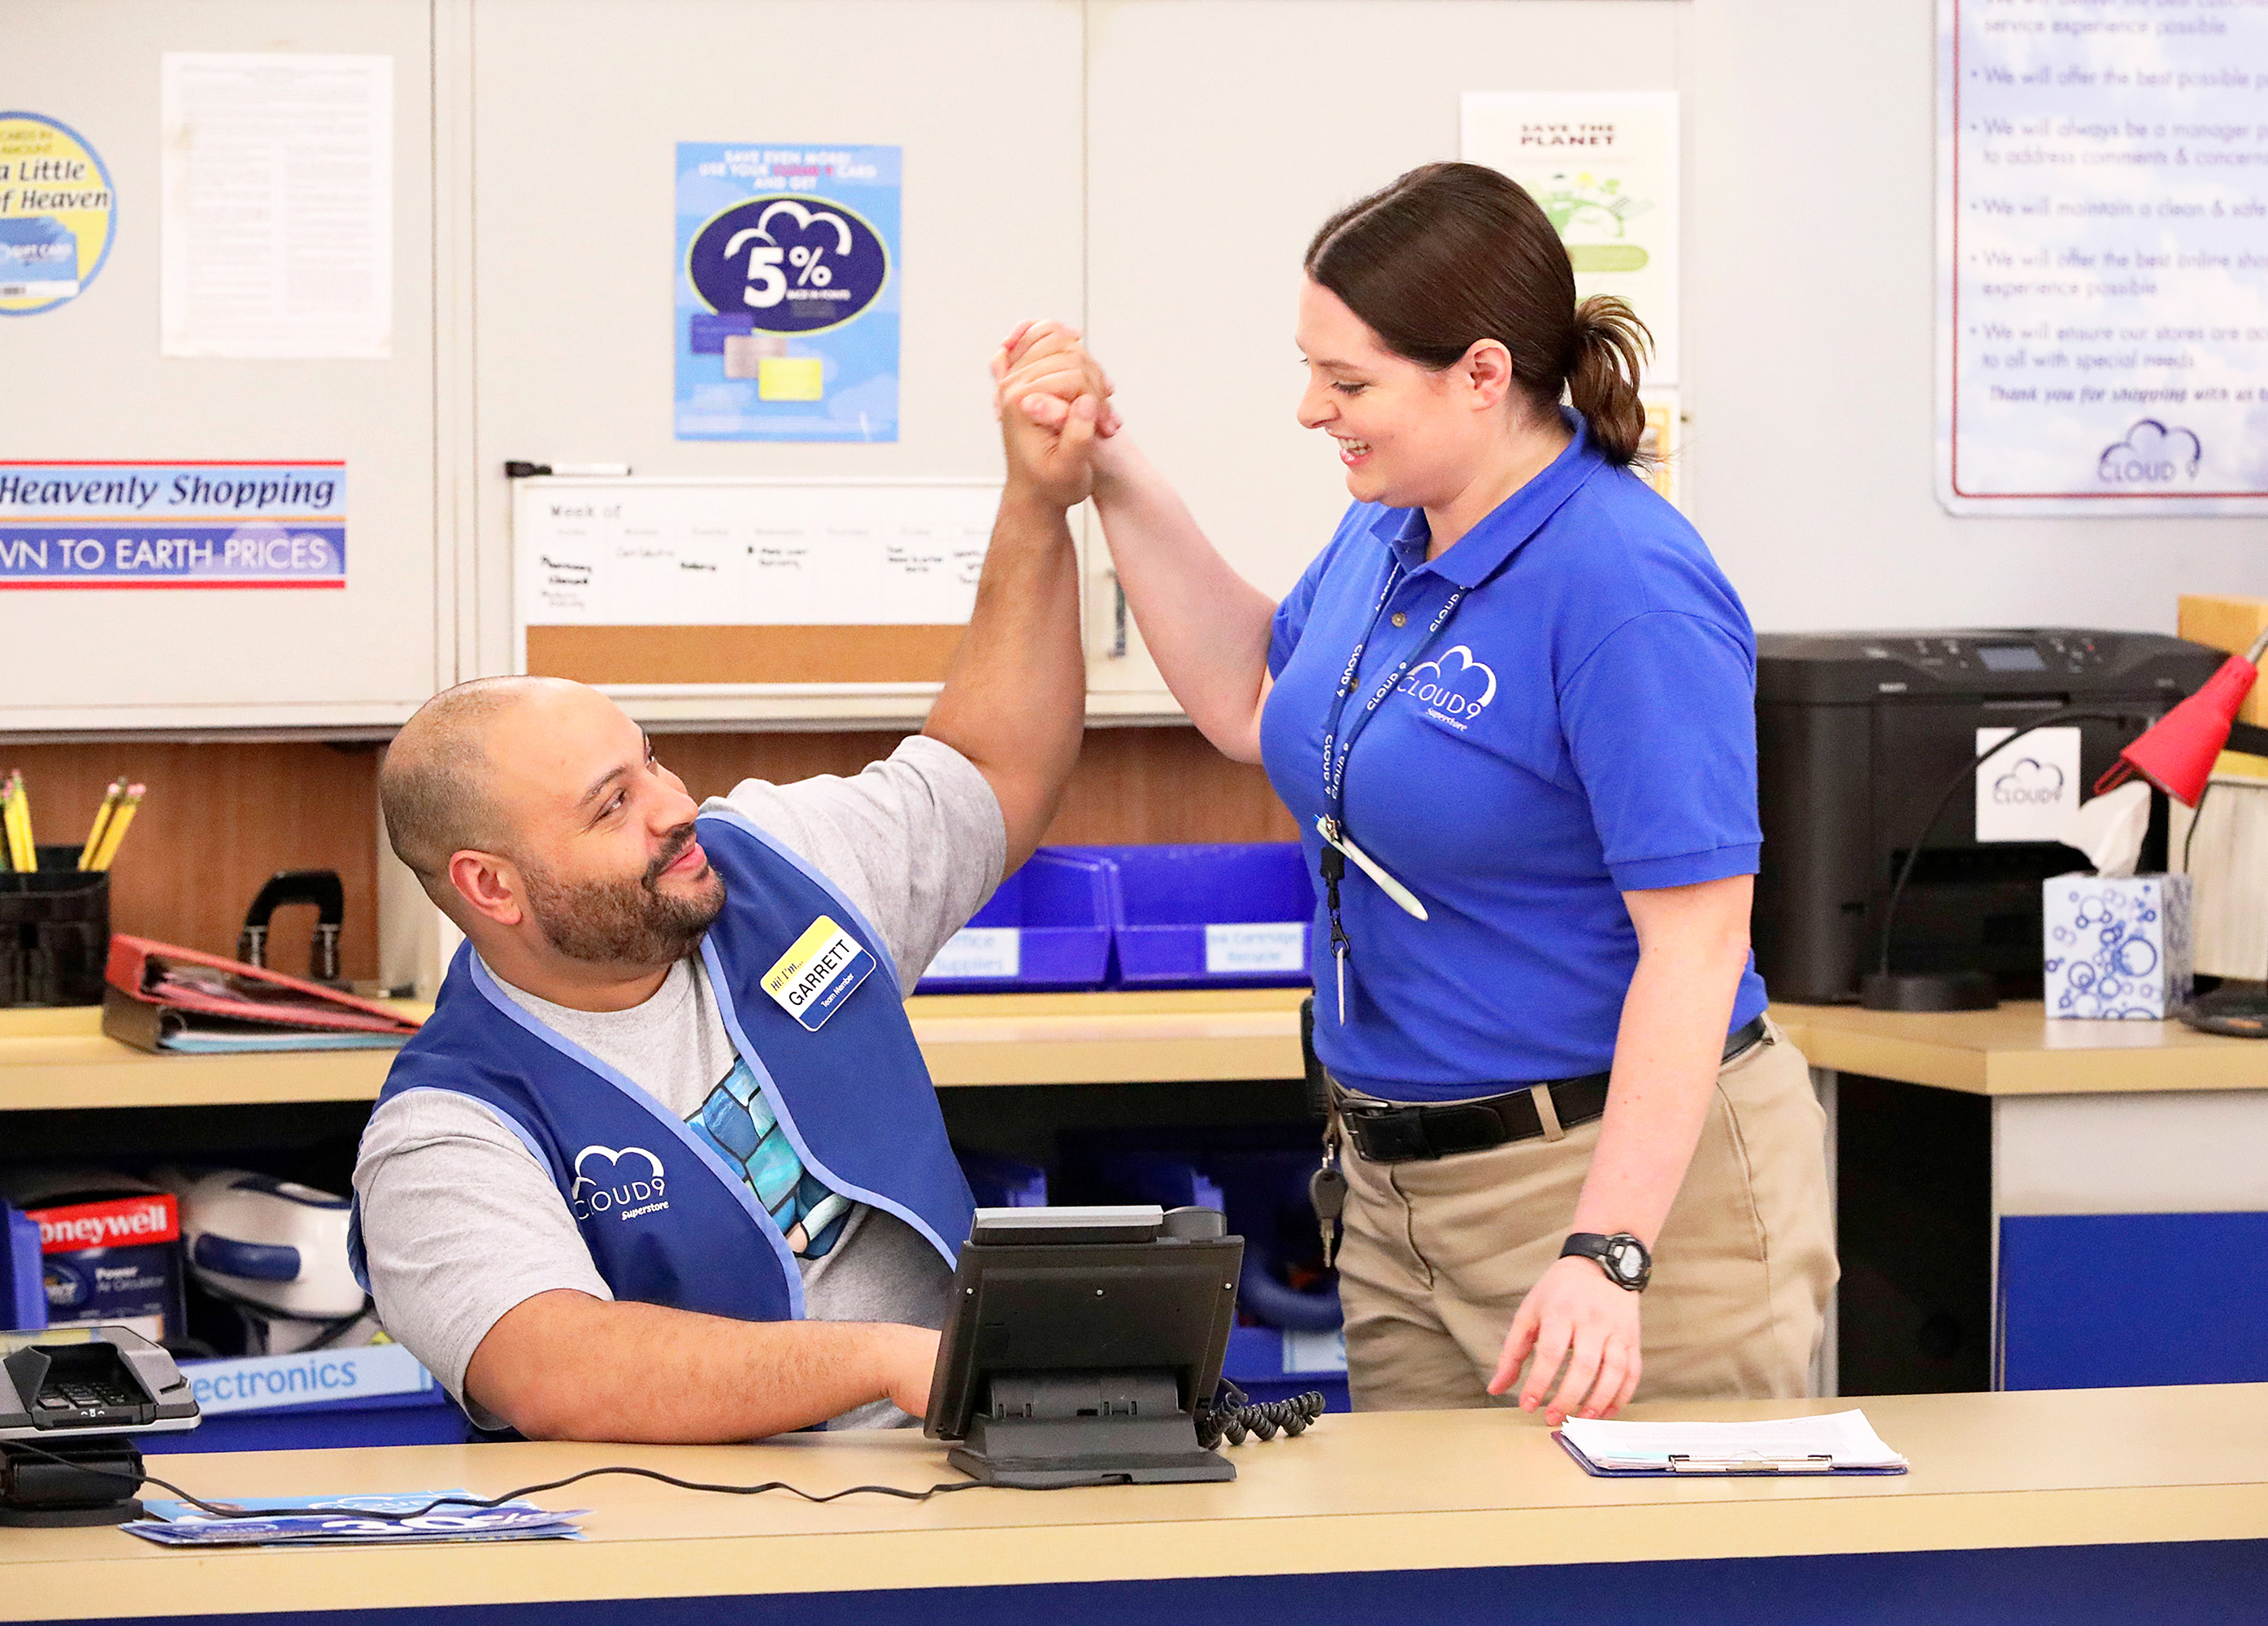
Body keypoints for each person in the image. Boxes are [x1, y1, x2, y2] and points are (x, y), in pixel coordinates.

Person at [997, 162, 1835, 1425]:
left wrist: (1608, 1249)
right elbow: (1248, 698)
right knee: (1428, 1542)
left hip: (1617, 1194)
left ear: (1481, 374)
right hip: (1395, 1193)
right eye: (1310, 371)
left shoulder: (1625, 585)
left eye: (1348, 384)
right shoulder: (1392, 527)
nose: (1311, 410)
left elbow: (1699, 944)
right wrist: (1104, 461)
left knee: (1626, 1545)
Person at [347, 346, 1106, 1443]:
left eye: (651, 761)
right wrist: (889, 1361)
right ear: (490, 887)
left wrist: (1037, 504)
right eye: (611, 805)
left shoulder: (775, 862)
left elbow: (994, 768)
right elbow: (558, 1369)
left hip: (954, 1462)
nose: (674, 806)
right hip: (700, 1519)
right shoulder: (446, 1126)